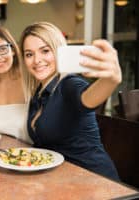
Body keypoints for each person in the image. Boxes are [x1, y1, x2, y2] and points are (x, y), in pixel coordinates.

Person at [19, 22, 120, 180]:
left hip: (96, 181)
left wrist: (110, 80)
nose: (37, 60)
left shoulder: (70, 84)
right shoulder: (38, 94)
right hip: (64, 180)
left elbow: (88, 98)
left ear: (59, 51)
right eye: (29, 54)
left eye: (45, 51)